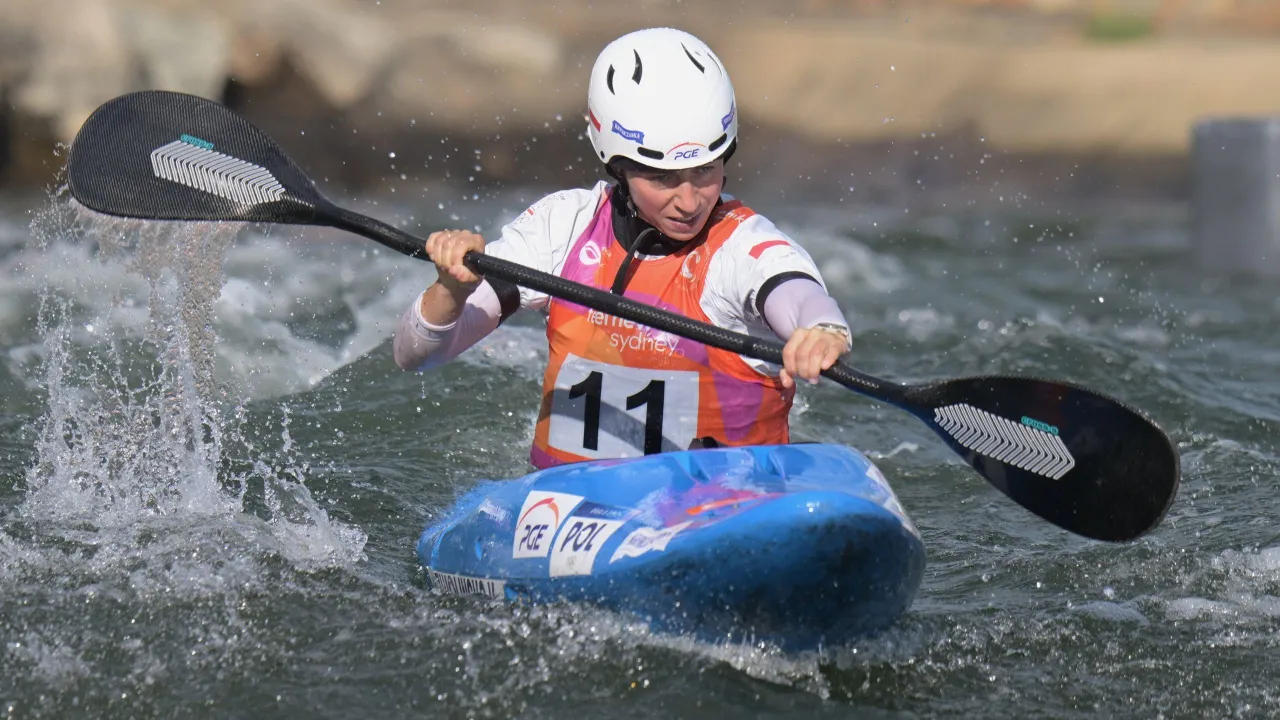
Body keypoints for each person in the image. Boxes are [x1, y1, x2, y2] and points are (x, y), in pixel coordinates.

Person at [394, 27, 853, 469]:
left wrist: (822, 330)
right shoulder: (564, 228)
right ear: (617, 167)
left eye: (705, 171)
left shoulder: (744, 245)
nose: (690, 201)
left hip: (723, 505)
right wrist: (450, 291)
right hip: (564, 507)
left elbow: (795, 294)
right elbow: (415, 355)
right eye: (662, 179)